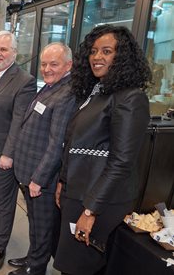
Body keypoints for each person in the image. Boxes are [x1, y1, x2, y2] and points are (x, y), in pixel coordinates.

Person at [53, 25, 151, 275]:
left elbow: (121, 162)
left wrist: (90, 210)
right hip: (79, 190)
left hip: (100, 199)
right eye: (94, 51)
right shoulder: (97, 93)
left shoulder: (130, 97)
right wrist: (64, 182)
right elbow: (74, 143)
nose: (97, 57)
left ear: (122, 57)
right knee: (71, 262)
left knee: (80, 265)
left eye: (106, 51)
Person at [8, 42, 76, 275]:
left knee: (43, 226)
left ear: (69, 65)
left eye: (53, 64)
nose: (47, 69)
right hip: (28, 172)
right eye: (44, 64)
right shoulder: (49, 87)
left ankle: (36, 268)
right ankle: (32, 256)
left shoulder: (67, 94)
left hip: (41, 178)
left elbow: (57, 144)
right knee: (34, 222)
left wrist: (38, 178)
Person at [0, 30, 36, 272]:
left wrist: (8, 153)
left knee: (4, 203)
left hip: (3, 156)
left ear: (14, 53)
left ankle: (0, 247)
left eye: (3, 49)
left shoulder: (24, 81)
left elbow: (18, 121)